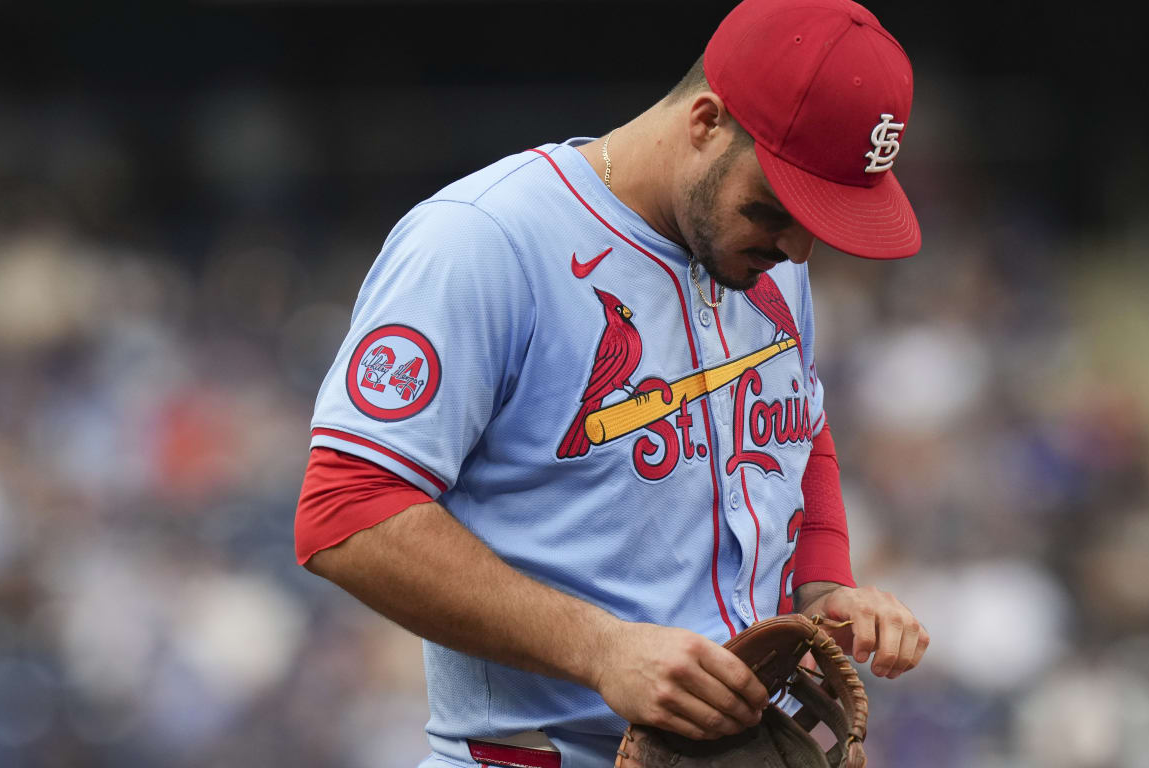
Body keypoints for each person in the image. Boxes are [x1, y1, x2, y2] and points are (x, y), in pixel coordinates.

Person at [294, 1, 928, 766]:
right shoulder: (486, 238)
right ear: (705, 121)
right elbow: (345, 512)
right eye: (779, 206)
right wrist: (599, 649)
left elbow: (794, 422)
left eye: (817, 221)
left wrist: (824, 588)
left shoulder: (757, 255)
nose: (796, 245)